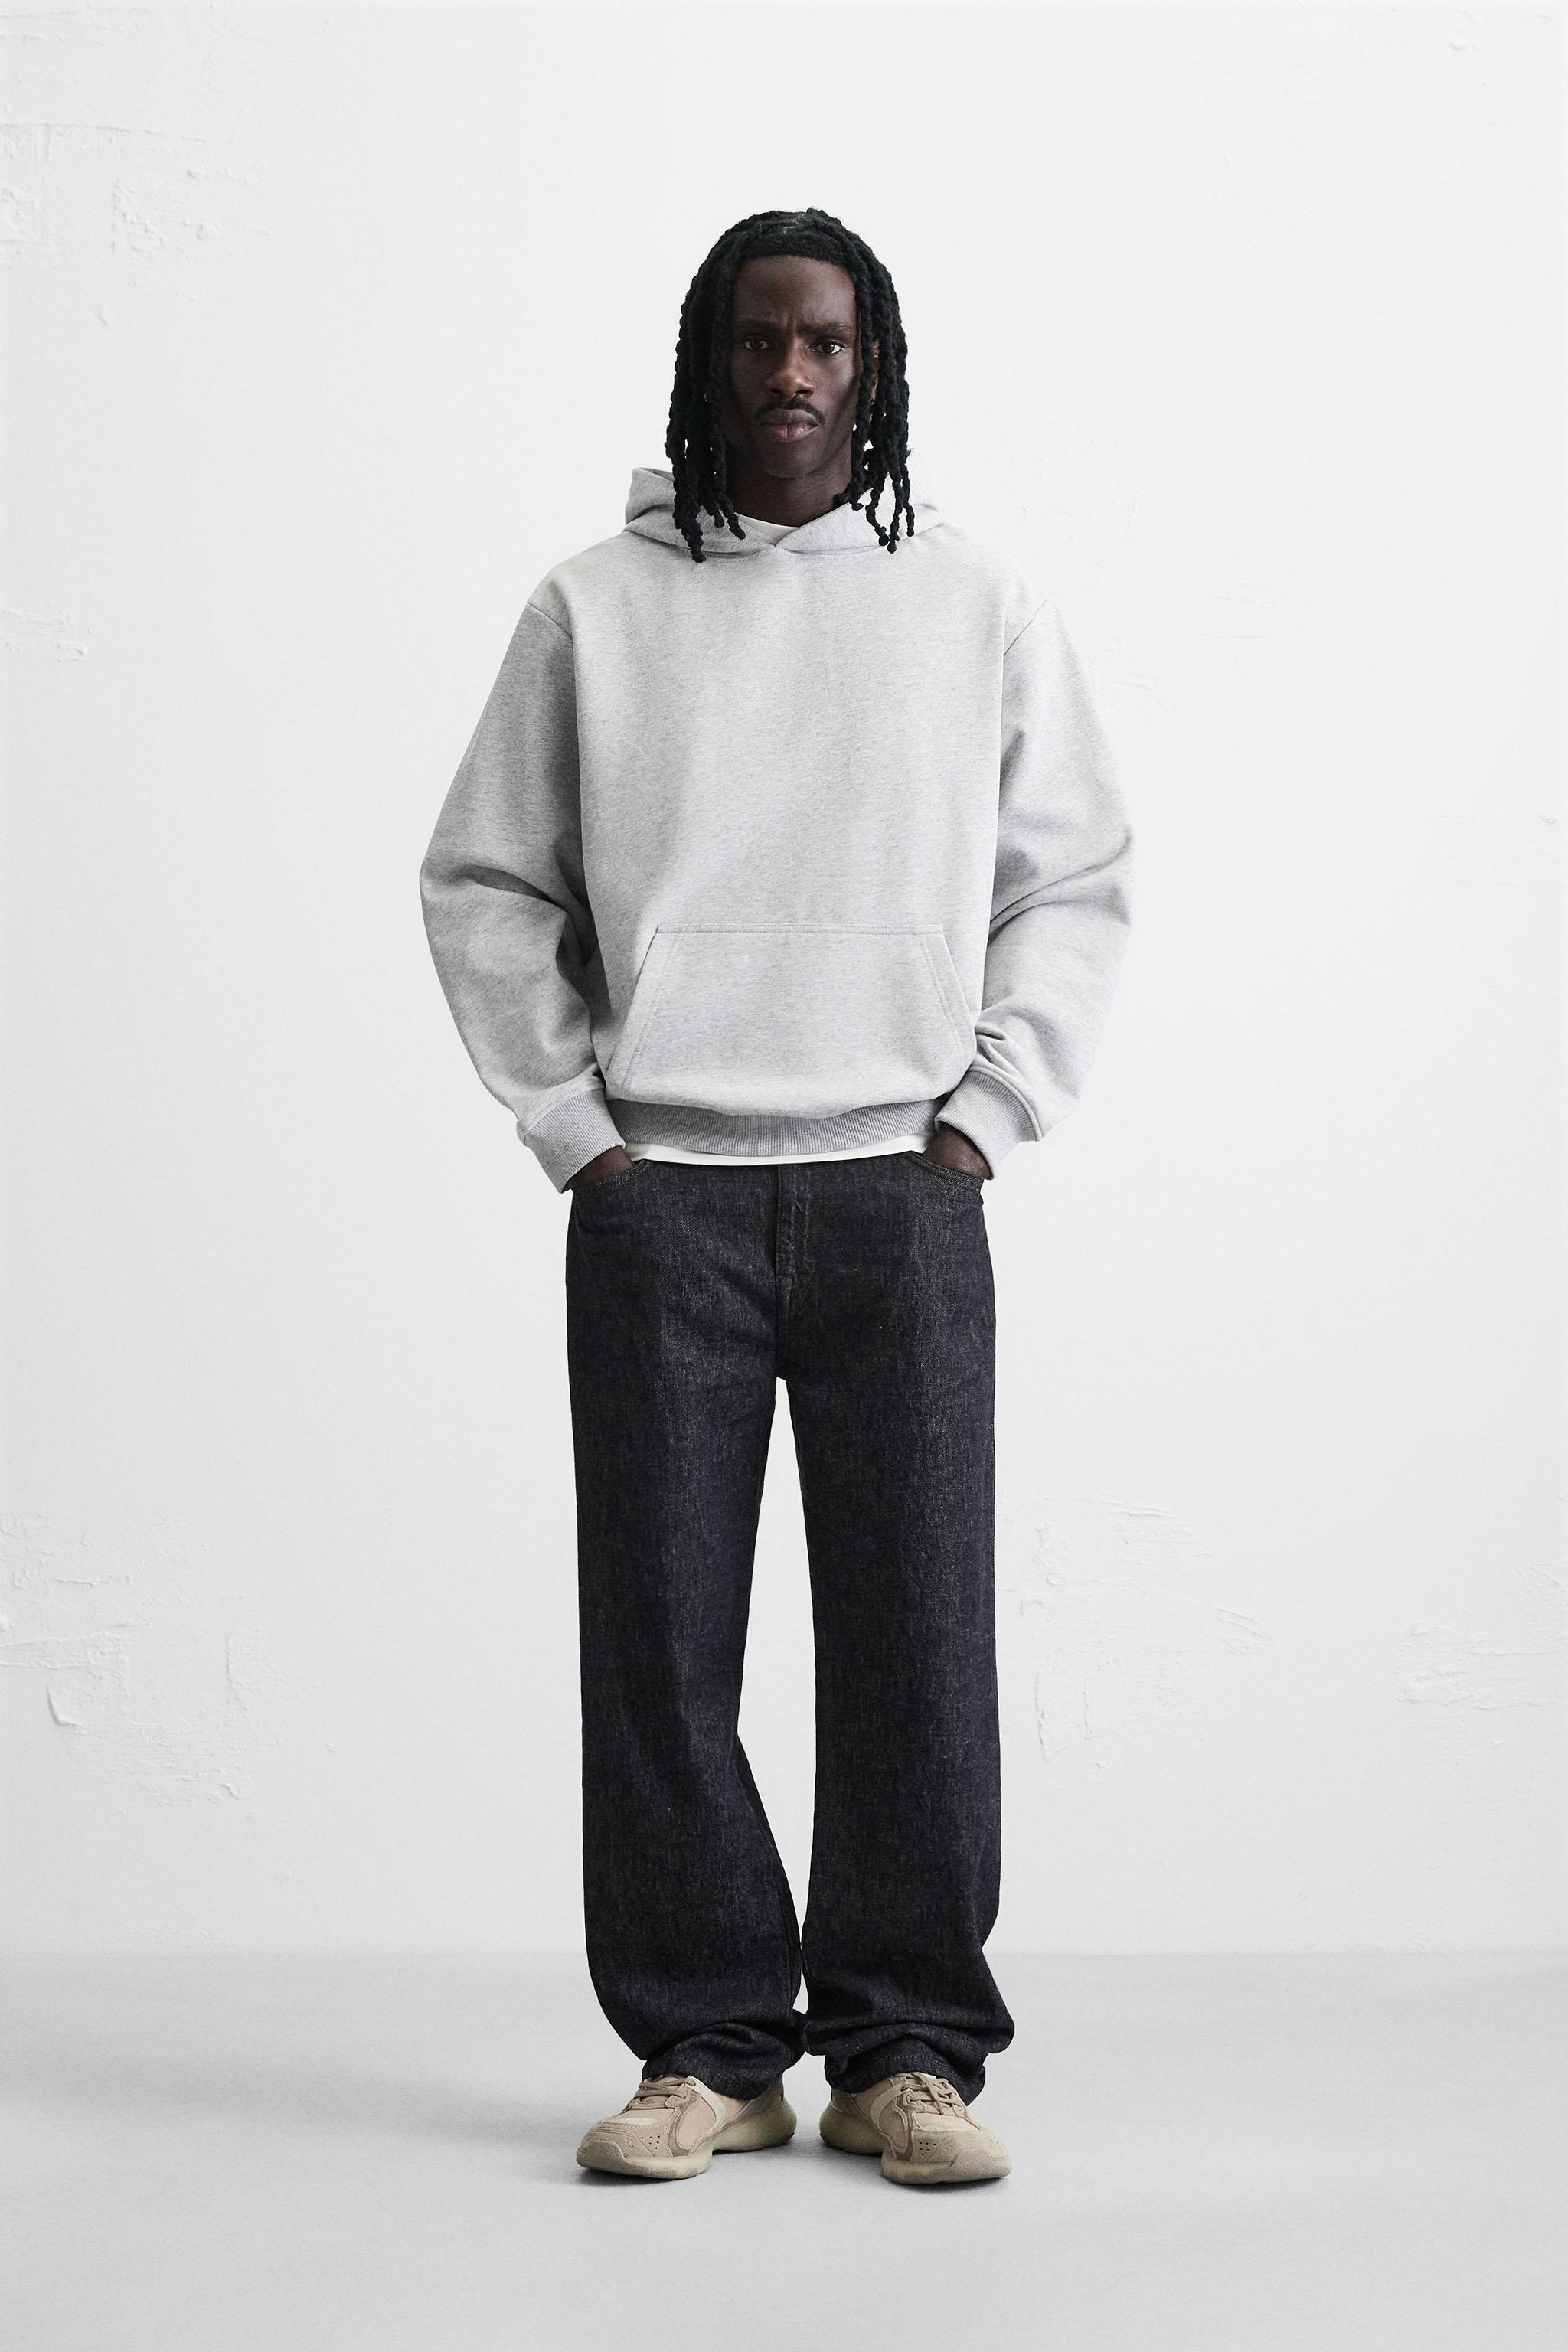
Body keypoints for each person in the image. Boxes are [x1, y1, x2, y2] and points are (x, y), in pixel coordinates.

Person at [419, 206, 1135, 2188]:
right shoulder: (593, 609)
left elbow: (1073, 875)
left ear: (873, 365)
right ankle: (712, 2048)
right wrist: (580, 1133)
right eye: (759, 341)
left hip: (902, 1189)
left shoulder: (972, 601)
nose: (793, 375)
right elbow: (484, 878)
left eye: (826, 342)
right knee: (661, 1644)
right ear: (708, 364)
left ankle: (905, 2052)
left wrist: (985, 1117)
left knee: (919, 1633)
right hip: (667, 1200)